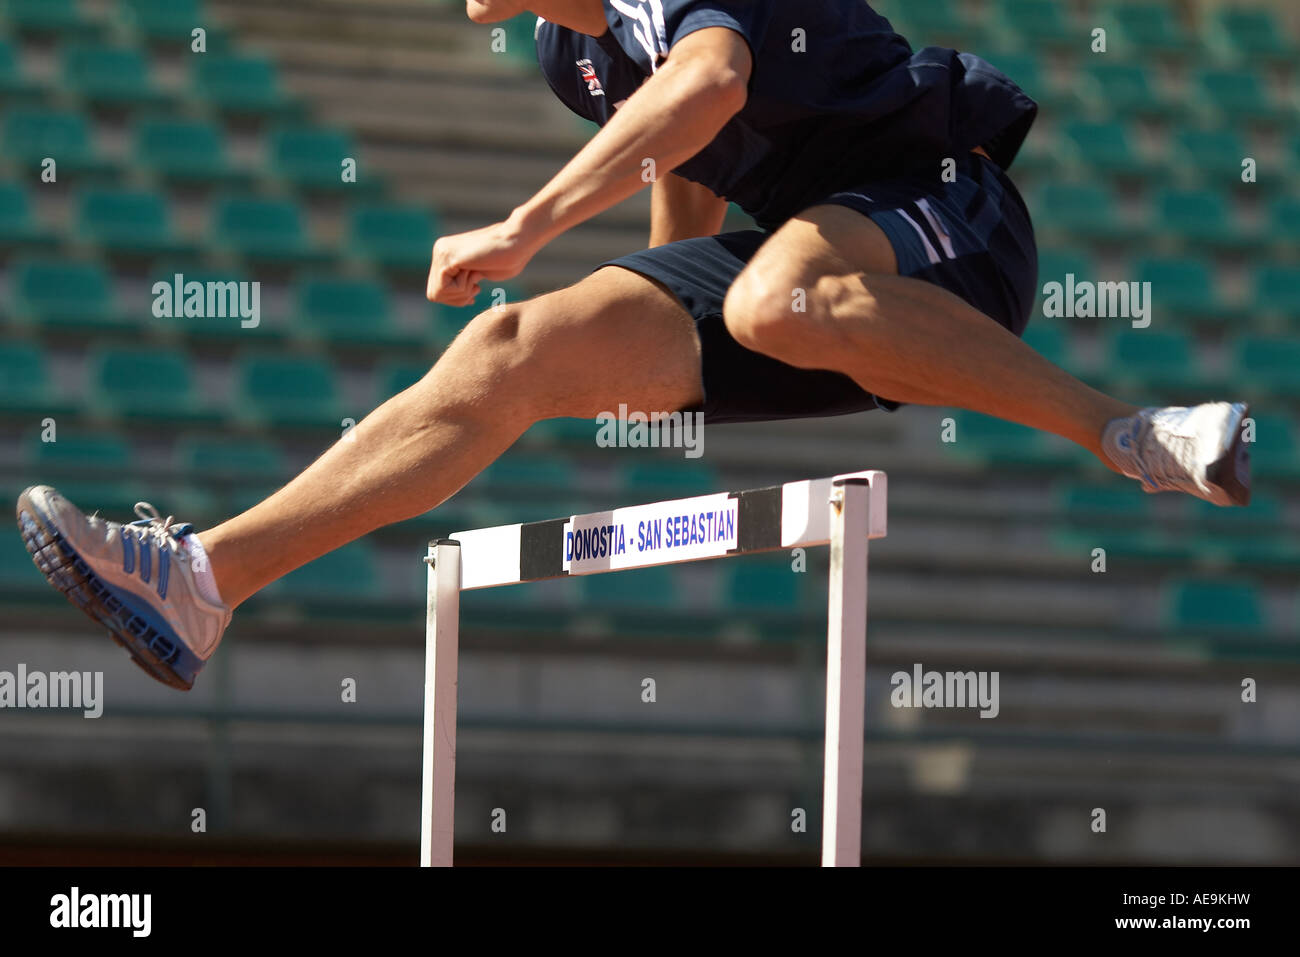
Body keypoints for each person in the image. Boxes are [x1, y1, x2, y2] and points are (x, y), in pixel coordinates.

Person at [15, 0, 1251, 690]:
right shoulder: (573, 59)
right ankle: (200, 582)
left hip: (946, 217)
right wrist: (656, 334)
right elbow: (693, 181)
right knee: (512, 352)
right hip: (805, 254)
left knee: (776, 300)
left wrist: (523, 223)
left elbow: (708, 85)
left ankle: (1126, 433)